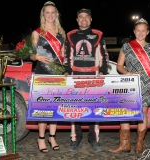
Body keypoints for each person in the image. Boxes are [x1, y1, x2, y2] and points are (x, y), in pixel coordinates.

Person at [109, 18, 150, 153]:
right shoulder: (127, 46)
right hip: (129, 81)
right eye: (138, 30)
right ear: (134, 31)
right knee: (125, 113)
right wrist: (127, 72)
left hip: (146, 82)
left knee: (143, 113)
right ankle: (125, 144)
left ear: (147, 32)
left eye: (143, 31)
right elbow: (119, 66)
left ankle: (139, 143)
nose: (140, 33)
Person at [63, 8, 108, 152]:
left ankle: (94, 139)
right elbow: (66, 57)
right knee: (75, 109)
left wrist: (102, 71)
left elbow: (104, 56)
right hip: (75, 77)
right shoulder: (70, 36)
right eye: (80, 17)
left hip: (93, 77)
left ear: (91, 19)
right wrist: (66, 71)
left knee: (94, 108)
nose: (83, 19)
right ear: (77, 20)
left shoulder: (98, 35)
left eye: (86, 17)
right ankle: (75, 138)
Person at [30, 1, 66, 153]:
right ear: (43, 15)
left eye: (53, 12)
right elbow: (30, 55)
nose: (50, 15)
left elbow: (63, 57)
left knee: (55, 107)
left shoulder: (61, 32)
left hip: (57, 74)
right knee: (43, 109)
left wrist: (65, 70)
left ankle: (52, 136)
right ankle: (41, 138)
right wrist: (37, 57)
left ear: (56, 14)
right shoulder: (37, 32)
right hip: (42, 73)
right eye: (47, 12)